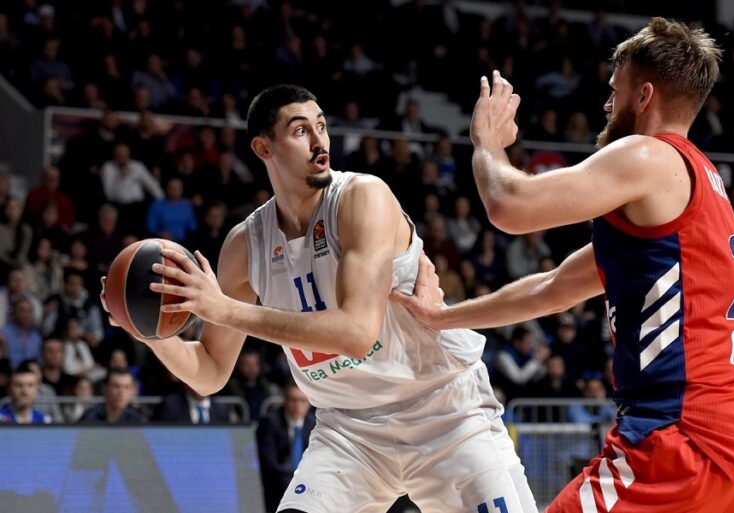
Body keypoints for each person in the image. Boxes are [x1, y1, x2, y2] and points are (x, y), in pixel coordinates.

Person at [394, 18, 734, 513]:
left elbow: (509, 205)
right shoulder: (696, 184)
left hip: (684, 433)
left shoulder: (648, 156)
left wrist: (487, 143)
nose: (606, 105)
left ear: (644, 96)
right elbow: (553, 287)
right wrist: (444, 317)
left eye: (614, 91)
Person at [100, 84, 536, 513]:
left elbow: (356, 334)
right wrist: (147, 330)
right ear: (263, 148)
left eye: (322, 126)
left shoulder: (363, 196)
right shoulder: (245, 246)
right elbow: (210, 373)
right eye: (300, 130)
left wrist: (224, 309)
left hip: (445, 413)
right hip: (350, 432)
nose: (319, 140)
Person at [256, 381, 316, 513]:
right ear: (285, 400)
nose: (298, 406)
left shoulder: (314, 425)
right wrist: (297, 480)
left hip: (305, 485)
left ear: (309, 403)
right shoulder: (270, 423)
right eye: (293, 400)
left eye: (302, 401)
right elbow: (270, 464)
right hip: (277, 484)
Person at [78, 367, 145, 423]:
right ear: (105, 389)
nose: (121, 392)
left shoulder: (137, 420)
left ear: (132, 391)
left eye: (126, 387)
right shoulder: (89, 418)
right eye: (116, 386)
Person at [153, 382, 229, 424]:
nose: (203, 385)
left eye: (206, 381)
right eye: (199, 380)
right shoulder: (171, 405)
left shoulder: (220, 408)